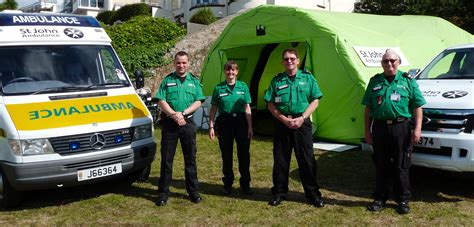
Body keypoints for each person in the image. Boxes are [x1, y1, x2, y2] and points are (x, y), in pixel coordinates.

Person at [362, 49, 425, 214]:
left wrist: (417, 129)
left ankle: (403, 200)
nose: (389, 64)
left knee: (401, 164)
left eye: (392, 60)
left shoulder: (408, 81)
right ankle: (380, 198)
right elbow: (368, 108)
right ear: (381, 63)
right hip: (380, 127)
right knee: (381, 164)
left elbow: (417, 106)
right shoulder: (375, 81)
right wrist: (367, 132)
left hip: (401, 127)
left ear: (398, 62)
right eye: (385, 61)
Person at [263, 48, 324, 208]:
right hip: (282, 124)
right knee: (281, 160)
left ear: (297, 60)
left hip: (302, 123)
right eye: (286, 59)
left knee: (307, 159)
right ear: (283, 62)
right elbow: (270, 103)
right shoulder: (277, 80)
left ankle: (313, 194)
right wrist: (283, 119)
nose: (289, 61)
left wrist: (302, 118)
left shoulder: (308, 78)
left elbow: (315, 100)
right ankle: (279, 192)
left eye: (292, 58)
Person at [155, 51, 205, 206]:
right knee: (167, 160)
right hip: (170, 124)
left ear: (188, 63)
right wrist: (173, 114)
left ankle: (193, 192)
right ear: (174, 63)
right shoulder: (167, 80)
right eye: (178, 62)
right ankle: (163, 193)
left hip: (187, 124)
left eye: (184, 62)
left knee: (190, 159)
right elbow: (160, 100)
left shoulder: (194, 81)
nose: (181, 65)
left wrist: (182, 114)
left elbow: (199, 101)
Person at [208, 60, 253, 196]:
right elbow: (214, 108)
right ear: (225, 72)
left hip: (241, 123)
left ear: (237, 72)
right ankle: (228, 184)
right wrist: (211, 126)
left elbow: (247, 107)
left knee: (244, 154)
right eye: (228, 70)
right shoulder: (219, 88)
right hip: (225, 123)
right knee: (226, 155)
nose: (230, 72)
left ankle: (245, 184)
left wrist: (250, 127)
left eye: (233, 70)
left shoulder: (243, 87)